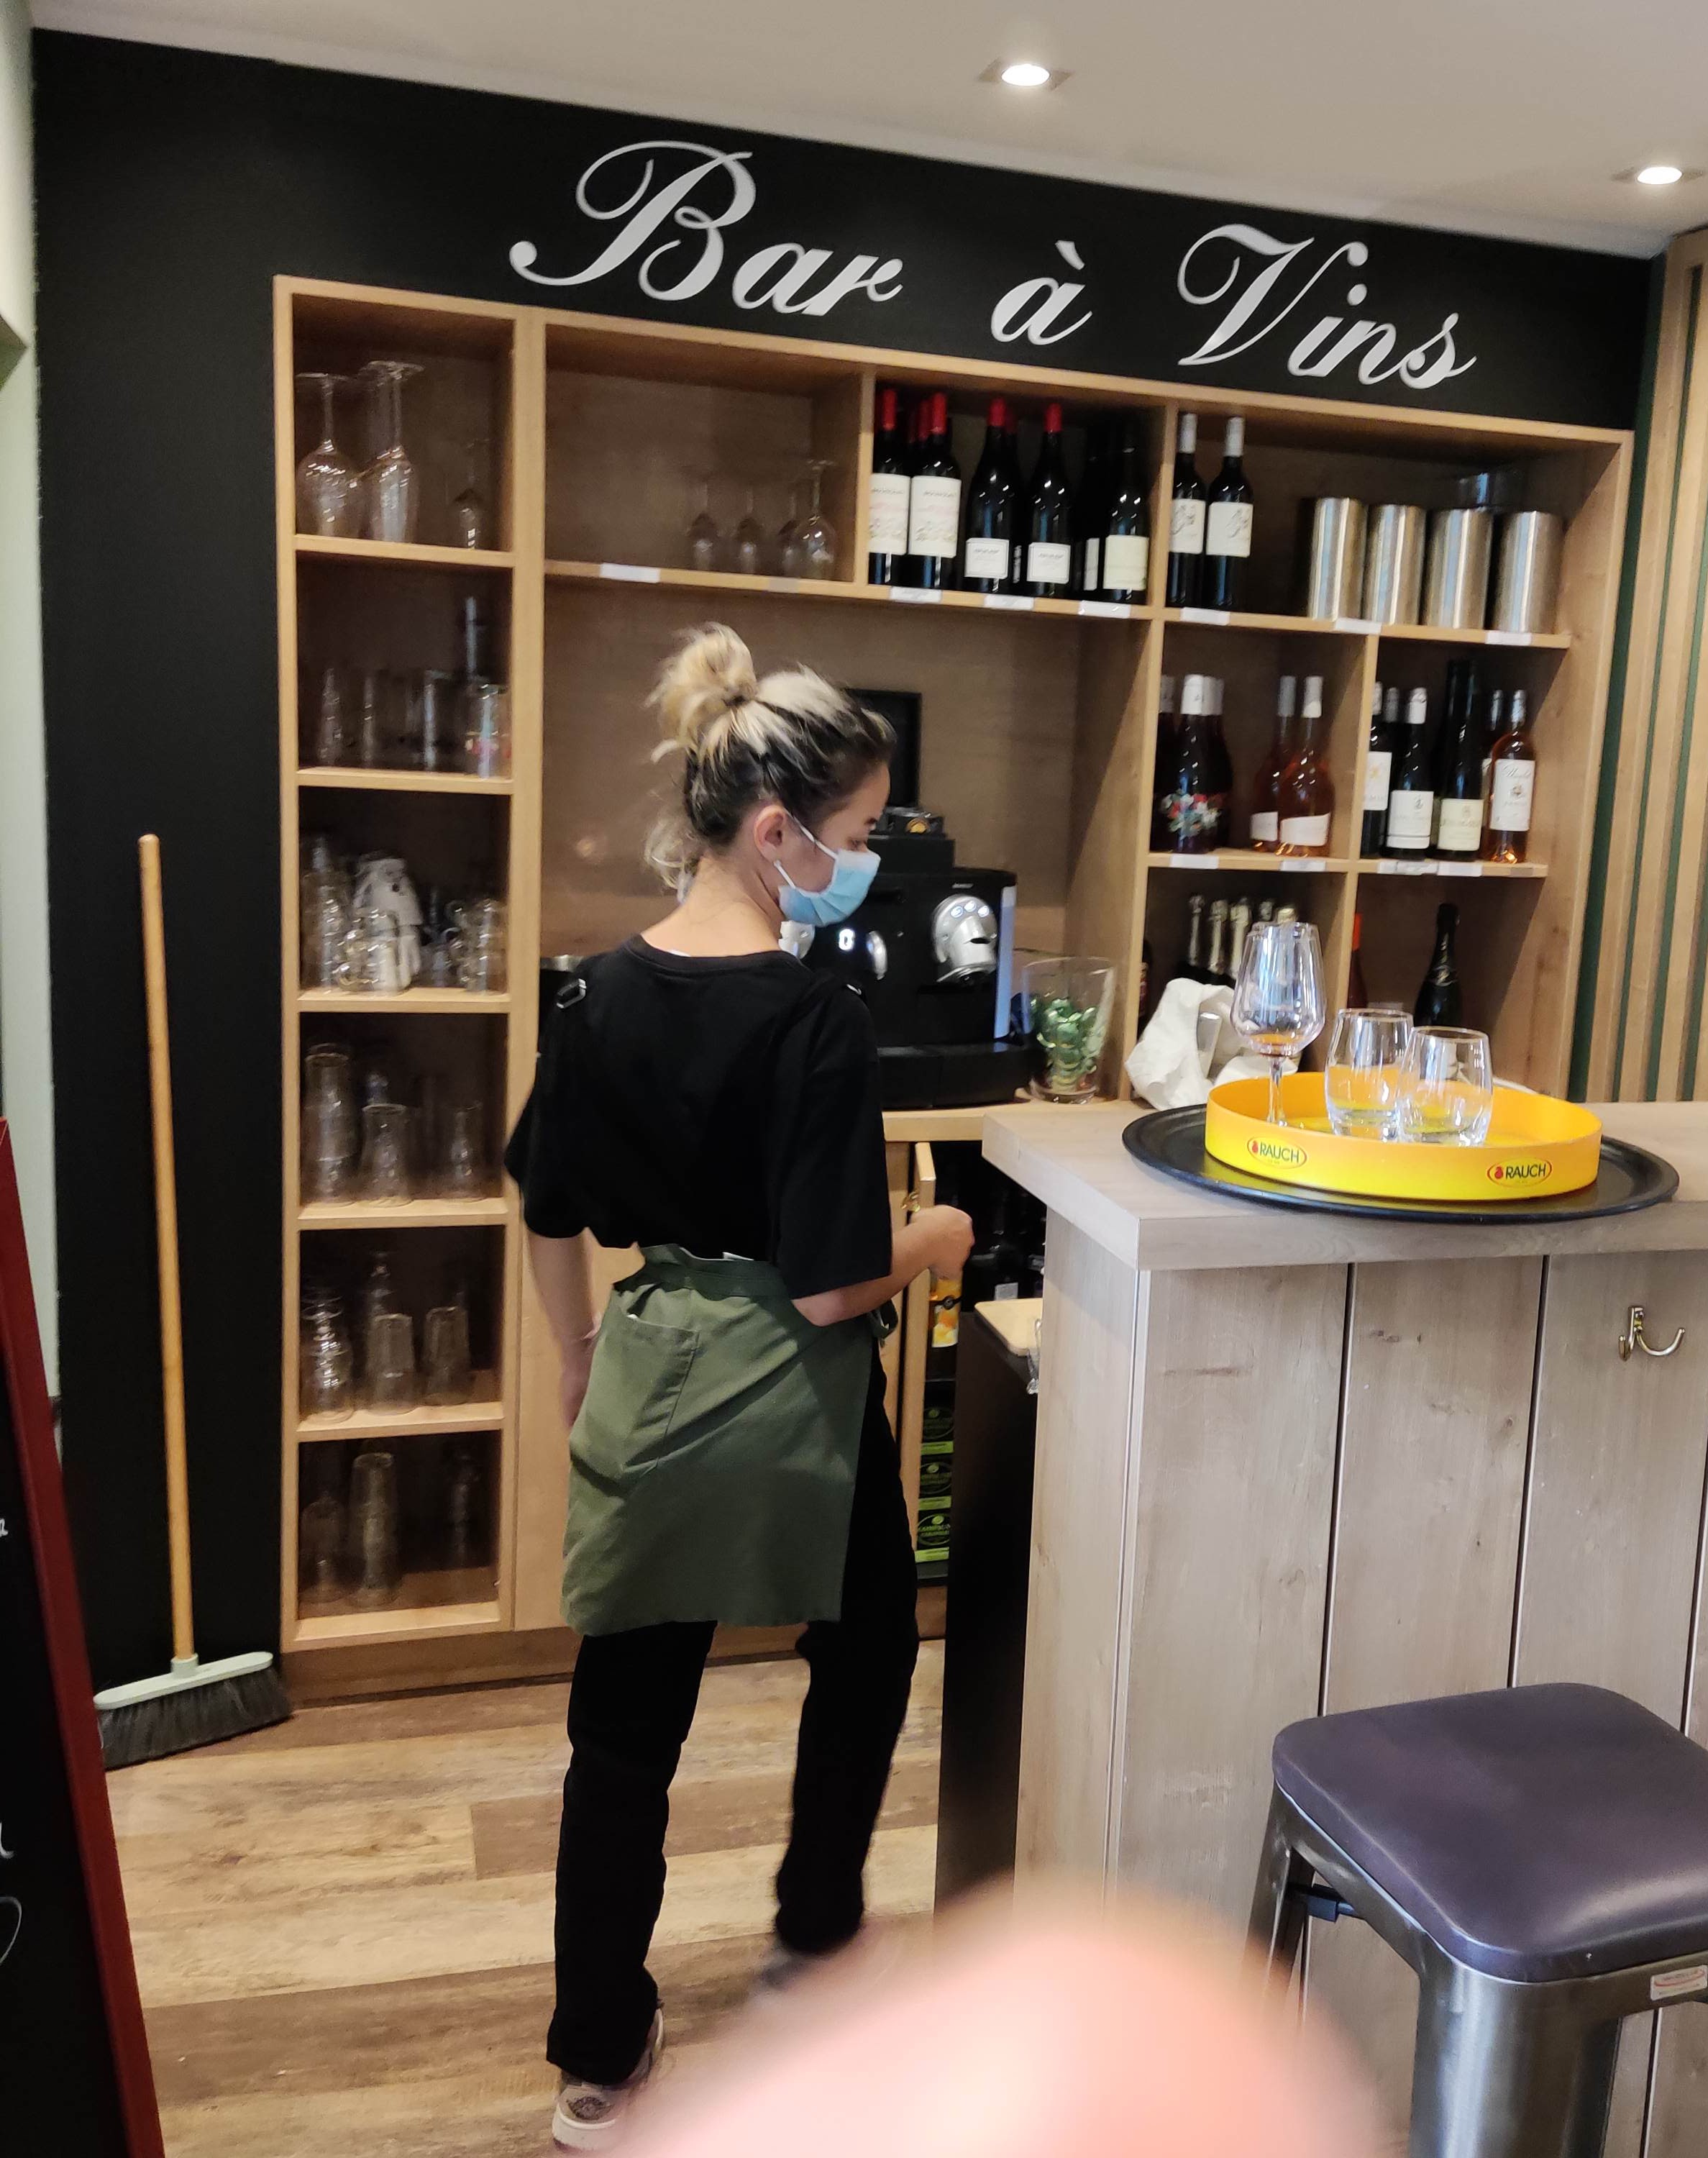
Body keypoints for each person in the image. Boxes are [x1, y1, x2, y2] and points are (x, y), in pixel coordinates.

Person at [506, 623, 974, 2151]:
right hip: (799, 1403)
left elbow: (549, 1208)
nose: (864, 863)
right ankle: (816, 1933)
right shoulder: (812, 1018)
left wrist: (580, 1356)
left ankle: (598, 2056)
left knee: (623, 1732)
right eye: (857, 834)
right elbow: (833, 1284)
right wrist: (937, 1237)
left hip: (655, 1380)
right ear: (777, 834)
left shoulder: (593, 997)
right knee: (867, 1647)